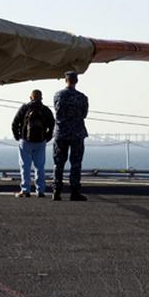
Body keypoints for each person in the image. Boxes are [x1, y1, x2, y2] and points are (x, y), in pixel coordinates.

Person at [52, 71, 89, 201]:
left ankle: (56, 191)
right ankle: (75, 192)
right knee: (76, 163)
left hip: (61, 133)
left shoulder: (58, 95)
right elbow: (84, 114)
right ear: (76, 81)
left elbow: (58, 112)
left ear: (65, 80)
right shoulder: (82, 97)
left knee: (58, 163)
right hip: (77, 133)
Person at [12, 89, 55, 197]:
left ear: (30, 97)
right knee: (40, 167)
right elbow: (52, 124)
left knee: (25, 166)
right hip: (40, 142)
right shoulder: (45, 110)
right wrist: (46, 138)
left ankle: (25, 190)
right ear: (41, 98)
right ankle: (40, 190)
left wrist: (18, 137)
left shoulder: (25, 108)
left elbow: (15, 123)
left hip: (25, 141)